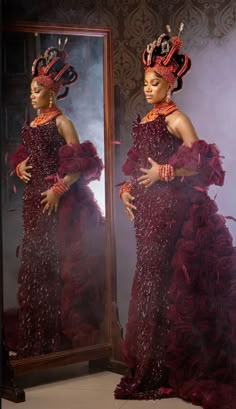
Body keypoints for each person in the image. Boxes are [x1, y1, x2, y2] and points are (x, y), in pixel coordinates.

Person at [115, 26, 236, 409]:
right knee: (151, 281)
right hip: (147, 210)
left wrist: (164, 173)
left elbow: (203, 164)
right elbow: (136, 166)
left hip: (168, 209)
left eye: (154, 82)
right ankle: (154, 365)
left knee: (154, 279)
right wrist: (126, 190)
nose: (147, 88)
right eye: (145, 82)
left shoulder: (176, 118)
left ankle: (154, 369)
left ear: (169, 83)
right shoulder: (150, 118)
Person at [10, 45, 105, 358]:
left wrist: (57, 190)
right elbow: (27, 153)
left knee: (55, 266)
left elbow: (79, 164)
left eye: (37, 90)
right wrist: (19, 165)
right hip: (33, 204)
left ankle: (57, 341)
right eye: (31, 90)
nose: (32, 95)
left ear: (51, 94)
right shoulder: (35, 123)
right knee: (36, 267)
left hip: (57, 205)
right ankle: (37, 338)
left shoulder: (61, 122)